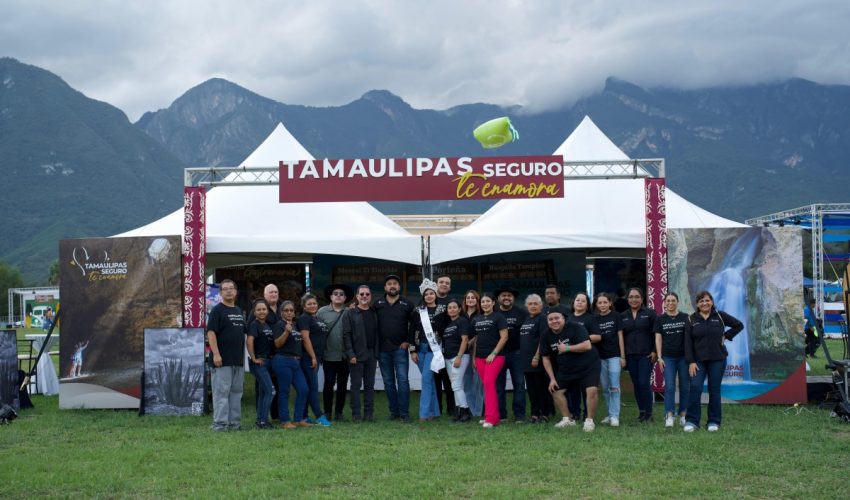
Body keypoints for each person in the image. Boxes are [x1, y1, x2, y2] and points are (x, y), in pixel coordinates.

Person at [684, 290, 744, 432]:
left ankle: (714, 421)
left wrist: (726, 335)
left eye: (707, 300)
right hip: (698, 361)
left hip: (718, 360)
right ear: (697, 304)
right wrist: (691, 361)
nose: (704, 303)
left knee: (714, 390)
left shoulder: (720, 316)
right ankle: (692, 421)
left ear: (711, 302)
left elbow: (739, 325)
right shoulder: (691, 319)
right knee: (695, 388)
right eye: (701, 301)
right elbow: (687, 342)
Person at [540, 306, 600, 432]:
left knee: (591, 390)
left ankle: (589, 421)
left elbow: (587, 345)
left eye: (557, 318)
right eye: (550, 319)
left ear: (564, 319)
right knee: (556, 391)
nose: (554, 321)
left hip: (588, 366)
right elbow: (545, 358)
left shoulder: (576, 327)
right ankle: (567, 419)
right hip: (567, 369)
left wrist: (567, 348)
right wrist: (552, 379)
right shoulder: (546, 335)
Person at [207, 279, 246, 431]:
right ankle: (220, 424)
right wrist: (216, 354)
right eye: (225, 289)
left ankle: (234, 424)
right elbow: (211, 333)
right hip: (221, 360)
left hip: (237, 360)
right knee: (221, 393)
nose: (229, 291)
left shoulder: (238, 310)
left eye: (231, 288)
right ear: (221, 293)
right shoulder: (217, 310)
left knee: (236, 393)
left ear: (236, 292)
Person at [374, 274, 414, 422]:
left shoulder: (407, 304)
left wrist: (408, 341)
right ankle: (394, 412)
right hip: (383, 349)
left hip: (400, 348)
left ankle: (404, 413)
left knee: (403, 380)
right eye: (389, 283)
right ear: (385, 287)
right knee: (389, 382)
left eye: (395, 284)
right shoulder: (377, 303)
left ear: (399, 287)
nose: (392, 286)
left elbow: (414, 324)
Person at [410, 279, 447, 421]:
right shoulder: (418, 311)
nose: (429, 296)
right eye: (426, 294)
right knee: (429, 381)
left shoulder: (443, 311)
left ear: (435, 294)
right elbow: (411, 330)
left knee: (425, 380)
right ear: (423, 297)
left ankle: (424, 414)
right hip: (420, 349)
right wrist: (412, 350)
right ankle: (434, 412)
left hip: (434, 351)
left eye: (431, 293)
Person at [470, 293, 509, 428]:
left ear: (493, 303)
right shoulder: (477, 319)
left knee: (488, 383)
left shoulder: (499, 317)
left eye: (488, 301)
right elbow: (476, 339)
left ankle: (491, 419)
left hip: (495, 357)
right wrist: (474, 358)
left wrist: (493, 353)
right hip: (480, 357)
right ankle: (491, 415)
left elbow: (504, 337)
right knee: (487, 387)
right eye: (483, 302)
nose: (485, 304)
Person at [654, 292, 691, 428]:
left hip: (683, 358)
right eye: (668, 301)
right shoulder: (660, 319)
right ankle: (669, 414)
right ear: (664, 303)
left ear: (677, 302)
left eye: (673, 300)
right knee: (669, 387)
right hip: (668, 358)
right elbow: (658, 338)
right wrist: (659, 357)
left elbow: (689, 338)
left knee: (684, 387)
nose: (670, 303)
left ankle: (683, 415)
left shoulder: (685, 317)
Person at [620, 287, 657, 422]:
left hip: (646, 355)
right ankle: (641, 412)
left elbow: (656, 334)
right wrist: (622, 355)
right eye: (631, 297)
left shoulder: (650, 313)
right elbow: (620, 337)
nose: (634, 299)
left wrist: (655, 351)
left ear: (642, 299)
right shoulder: (622, 315)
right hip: (630, 355)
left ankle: (649, 413)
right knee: (636, 384)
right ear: (627, 299)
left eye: (637, 297)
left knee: (643, 382)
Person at [343, 285, 379, 422]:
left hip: (371, 354)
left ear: (370, 297)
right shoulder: (350, 313)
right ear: (357, 297)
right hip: (356, 355)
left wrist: (376, 353)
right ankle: (356, 414)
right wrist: (350, 354)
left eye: (367, 294)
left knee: (370, 386)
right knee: (356, 386)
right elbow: (346, 335)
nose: (364, 296)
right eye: (362, 294)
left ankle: (369, 413)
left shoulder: (374, 312)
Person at [272, 300, 310, 429]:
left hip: (296, 362)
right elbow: (277, 344)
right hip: (283, 360)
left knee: (303, 389)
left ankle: (299, 419)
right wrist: (286, 332)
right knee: (284, 391)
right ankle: (285, 420)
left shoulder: (295, 325)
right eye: (286, 310)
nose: (289, 312)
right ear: (281, 312)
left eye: (291, 310)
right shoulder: (279, 325)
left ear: (294, 312)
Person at [318, 283, 353, 421]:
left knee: (343, 385)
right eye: (335, 294)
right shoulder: (321, 312)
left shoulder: (350, 312)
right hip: (328, 356)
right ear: (331, 297)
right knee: (329, 383)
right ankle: (327, 412)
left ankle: (339, 412)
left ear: (345, 298)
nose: (338, 296)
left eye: (341, 294)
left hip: (345, 356)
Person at [296, 293, 332, 427]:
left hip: (317, 356)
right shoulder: (304, 318)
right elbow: (305, 338)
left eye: (314, 303)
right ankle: (319, 416)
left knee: (309, 386)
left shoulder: (317, 318)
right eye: (309, 304)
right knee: (313, 387)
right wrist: (312, 357)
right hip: (308, 357)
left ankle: (304, 417)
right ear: (304, 307)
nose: (312, 306)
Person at [494, 286, 528, 422]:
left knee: (519, 385)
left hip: (517, 354)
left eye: (509, 295)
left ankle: (519, 415)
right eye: (503, 295)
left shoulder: (522, 313)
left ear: (513, 298)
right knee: (499, 386)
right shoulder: (494, 313)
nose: (506, 298)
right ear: (498, 299)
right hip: (498, 355)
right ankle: (502, 415)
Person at [593, 292, 625, 427]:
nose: (602, 305)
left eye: (605, 302)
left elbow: (620, 336)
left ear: (610, 303)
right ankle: (610, 413)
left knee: (614, 387)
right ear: (596, 305)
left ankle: (615, 416)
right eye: (599, 303)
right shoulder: (594, 319)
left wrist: (623, 356)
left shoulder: (616, 316)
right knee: (605, 388)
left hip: (614, 356)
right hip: (600, 357)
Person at [567, 292, 599, 421]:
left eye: (583, 301)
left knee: (586, 388)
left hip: (587, 359)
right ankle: (574, 413)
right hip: (571, 359)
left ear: (587, 305)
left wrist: (580, 340)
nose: (579, 302)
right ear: (573, 303)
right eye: (577, 300)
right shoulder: (567, 318)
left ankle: (587, 414)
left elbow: (597, 336)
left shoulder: (590, 318)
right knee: (572, 388)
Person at [246, 299, 276, 429]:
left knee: (264, 392)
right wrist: (253, 358)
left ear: (268, 311)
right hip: (259, 362)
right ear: (254, 311)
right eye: (258, 309)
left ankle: (260, 420)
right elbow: (250, 341)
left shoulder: (268, 325)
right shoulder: (254, 325)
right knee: (271, 391)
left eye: (264, 309)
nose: (262, 311)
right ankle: (263, 421)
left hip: (268, 361)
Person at [520, 294, 549, 423]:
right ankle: (534, 414)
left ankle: (544, 413)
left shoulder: (542, 319)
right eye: (530, 304)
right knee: (531, 390)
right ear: (526, 306)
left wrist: (537, 356)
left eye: (535, 304)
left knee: (540, 388)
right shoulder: (526, 319)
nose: (532, 306)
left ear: (541, 306)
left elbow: (543, 340)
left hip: (537, 360)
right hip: (526, 361)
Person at [442, 298, 472, 422]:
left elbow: (465, 340)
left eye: (454, 307)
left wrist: (459, 357)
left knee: (457, 385)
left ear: (459, 309)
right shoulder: (449, 324)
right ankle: (459, 412)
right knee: (455, 386)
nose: (452, 309)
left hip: (459, 357)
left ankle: (465, 412)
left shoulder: (462, 321)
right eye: (450, 308)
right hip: (448, 358)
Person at [433, 273, 456, 417]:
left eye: (447, 283)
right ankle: (437, 409)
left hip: (449, 347)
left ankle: (452, 408)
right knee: (435, 379)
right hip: (432, 347)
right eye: (441, 282)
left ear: (450, 286)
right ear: (436, 284)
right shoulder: (429, 299)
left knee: (449, 380)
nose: (444, 284)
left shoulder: (453, 302)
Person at [462, 290, 484, 417]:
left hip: (478, 351)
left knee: (478, 382)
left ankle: (479, 410)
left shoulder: (481, 315)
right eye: (468, 298)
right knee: (466, 381)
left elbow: (481, 333)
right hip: (464, 352)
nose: (470, 300)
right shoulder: (461, 314)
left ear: (477, 300)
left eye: (473, 298)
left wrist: (471, 341)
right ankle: (469, 409)